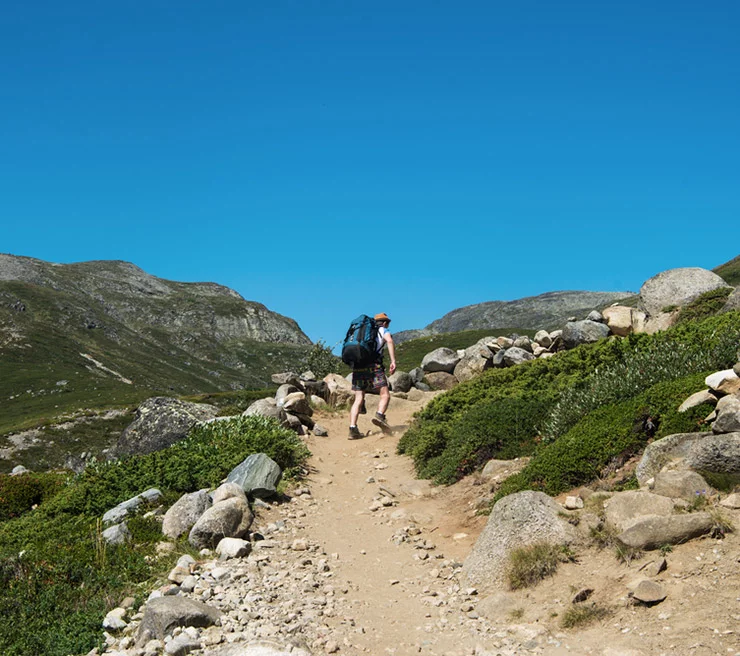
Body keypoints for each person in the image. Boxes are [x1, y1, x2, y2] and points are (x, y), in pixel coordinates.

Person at [349, 312, 397, 439]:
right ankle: (380, 415)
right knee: (385, 394)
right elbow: (390, 341)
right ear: (385, 322)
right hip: (374, 367)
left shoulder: (362, 333)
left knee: (358, 399)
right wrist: (393, 361)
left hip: (358, 367)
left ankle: (352, 429)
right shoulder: (383, 330)